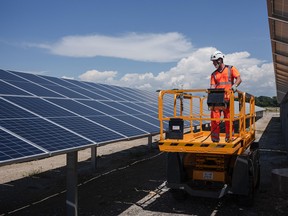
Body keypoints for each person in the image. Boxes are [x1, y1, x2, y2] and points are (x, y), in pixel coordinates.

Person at [209, 50, 242, 142]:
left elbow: (239, 79)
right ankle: (215, 139)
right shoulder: (213, 74)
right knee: (214, 120)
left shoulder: (230, 69)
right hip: (217, 100)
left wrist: (234, 86)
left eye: (214, 61)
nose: (213, 63)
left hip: (228, 99)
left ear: (220, 60)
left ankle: (229, 138)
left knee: (229, 120)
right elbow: (212, 86)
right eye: (213, 62)